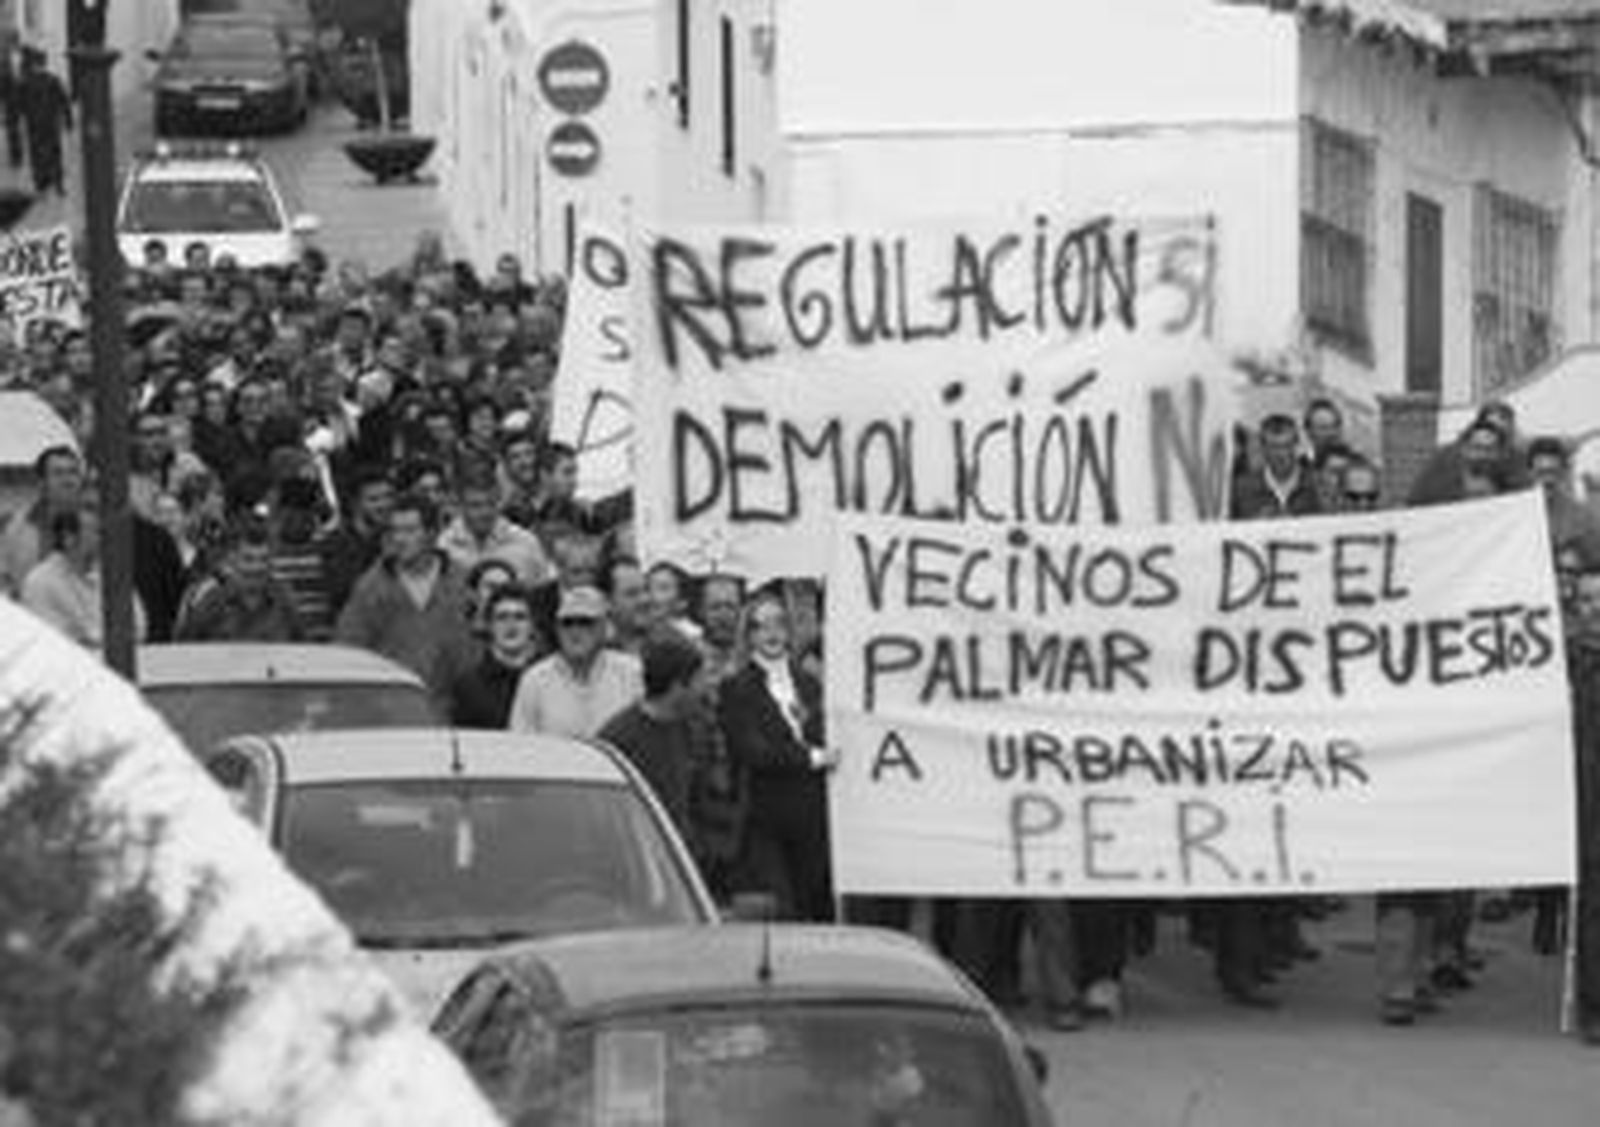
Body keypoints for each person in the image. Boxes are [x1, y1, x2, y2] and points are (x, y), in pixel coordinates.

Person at [718, 589, 836, 922]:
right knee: (783, 914)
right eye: (760, 626)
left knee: (816, 909)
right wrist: (814, 758)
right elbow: (754, 752)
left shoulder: (810, 683)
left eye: (778, 624)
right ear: (749, 635)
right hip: (767, 822)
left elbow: (828, 734)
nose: (771, 633)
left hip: (813, 819)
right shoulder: (736, 687)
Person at [335, 492, 477, 719]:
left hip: (458, 713)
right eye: (395, 531)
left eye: (410, 530)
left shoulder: (463, 582)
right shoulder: (371, 587)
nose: (400, 539)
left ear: (433, 533)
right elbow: (348, 651)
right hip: (390, 716)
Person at [597, 631, 711, 840]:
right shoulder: (618, 740)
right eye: (698, 680)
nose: (705, 687)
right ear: (678, 687)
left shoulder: (693, 728)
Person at [508, 585, 642, 738]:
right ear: (556, 629)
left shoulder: (632, 673)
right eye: (567, 623)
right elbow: (519, 745)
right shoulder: (534, 680)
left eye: (585, 622)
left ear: (604, 627)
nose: (575, 630)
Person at [21, 502, 146, 654]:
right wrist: (100, 639)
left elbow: (139, 626)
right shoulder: (40, 582)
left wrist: (94, 638)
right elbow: (54, 640)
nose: (103, 539)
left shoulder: (112, 575)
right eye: (96, 532)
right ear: (69, 538)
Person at [175, 519, 304, 643]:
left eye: (263, 559)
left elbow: (303, 651)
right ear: (233, 560)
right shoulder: (212, 602)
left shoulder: (285, 602)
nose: (257, 567)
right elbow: (184, 651)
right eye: (248, 559)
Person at [450, 584, 543, 729]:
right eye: (502, 617)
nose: (511, 625)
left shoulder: (549, 678)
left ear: (533, 625)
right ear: (489, 625)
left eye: (520, 617)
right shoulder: (468, 686)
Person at [438, 471, 551, 586]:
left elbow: (543, 594)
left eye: (491, 503)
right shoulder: (445, 545)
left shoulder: (527, 543)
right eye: (476, 505)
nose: (485, 512)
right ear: (461, 507)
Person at [1, 445, 83, 597]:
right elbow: (5, 580)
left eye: (73, 472)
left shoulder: (96, 524)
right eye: (58, 473)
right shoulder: (17, 526)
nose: (68, 480)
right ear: (42, 481)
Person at [18, 47, 69, 197]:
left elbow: (20, 105)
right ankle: (58, 185)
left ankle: (41, 184)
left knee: (37, 155)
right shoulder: (53, 80)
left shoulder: (25, 82)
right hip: (51, 123)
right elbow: (63, 100)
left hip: (34, 125)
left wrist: (22, 118)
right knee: (55, 153)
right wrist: (68, 119)